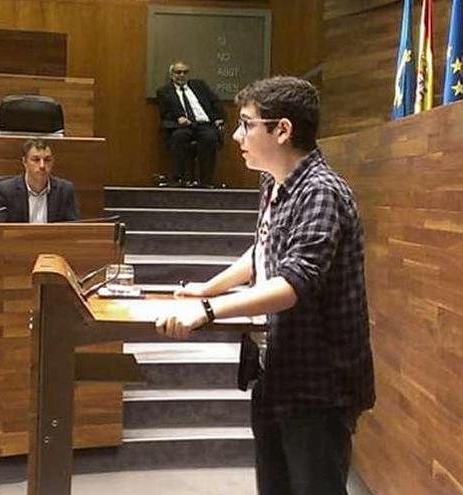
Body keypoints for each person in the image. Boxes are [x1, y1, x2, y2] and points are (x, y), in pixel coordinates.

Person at [155, 76, 374, 495]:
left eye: (247, 124)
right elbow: (264, 248)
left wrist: (206, 313)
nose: (237, 135)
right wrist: (209, 288)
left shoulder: (321, 192)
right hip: (275, 372)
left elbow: (294, 281)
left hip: (318, 385)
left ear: (283, 130)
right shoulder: (274, 181)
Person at [156, 61, 224, 188]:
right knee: (178, 138)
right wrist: (178, 118)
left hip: (203, 124)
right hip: (182, 126)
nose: (182, 75)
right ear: (171, 74)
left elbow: (215, 102)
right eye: (178, 72)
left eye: (185, 72)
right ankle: (179, 179)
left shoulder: (199, 86)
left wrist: (219, 118)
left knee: (210, 138)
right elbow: (164, 113)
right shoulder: (164, 91)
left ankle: (206, 181)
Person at [0, 139, 79, 223]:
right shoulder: (5, 191)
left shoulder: (65, 190)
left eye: (47, 160)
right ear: (25, 162)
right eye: (36, 160)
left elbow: (73, 230)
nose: (42, 165)